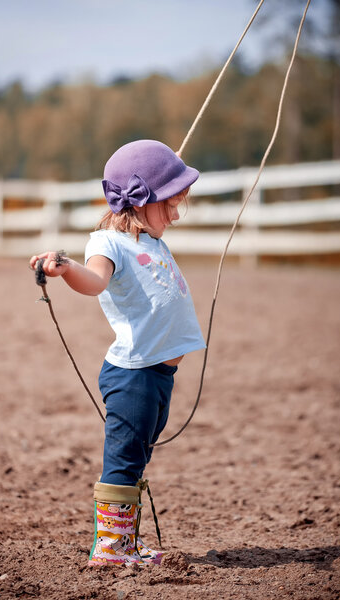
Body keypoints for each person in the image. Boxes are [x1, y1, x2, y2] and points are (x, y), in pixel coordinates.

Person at [30, 139, 206, 566]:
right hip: (133, 377)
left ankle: (123, 542)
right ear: (141, 201)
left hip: (158, 378)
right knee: (124, 460)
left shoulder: (150, 240)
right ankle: (110, 548)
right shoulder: (107, 243)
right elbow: (94, 282)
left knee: (137, 457)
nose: (177, 213)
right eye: (170, 202)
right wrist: (67, 267)